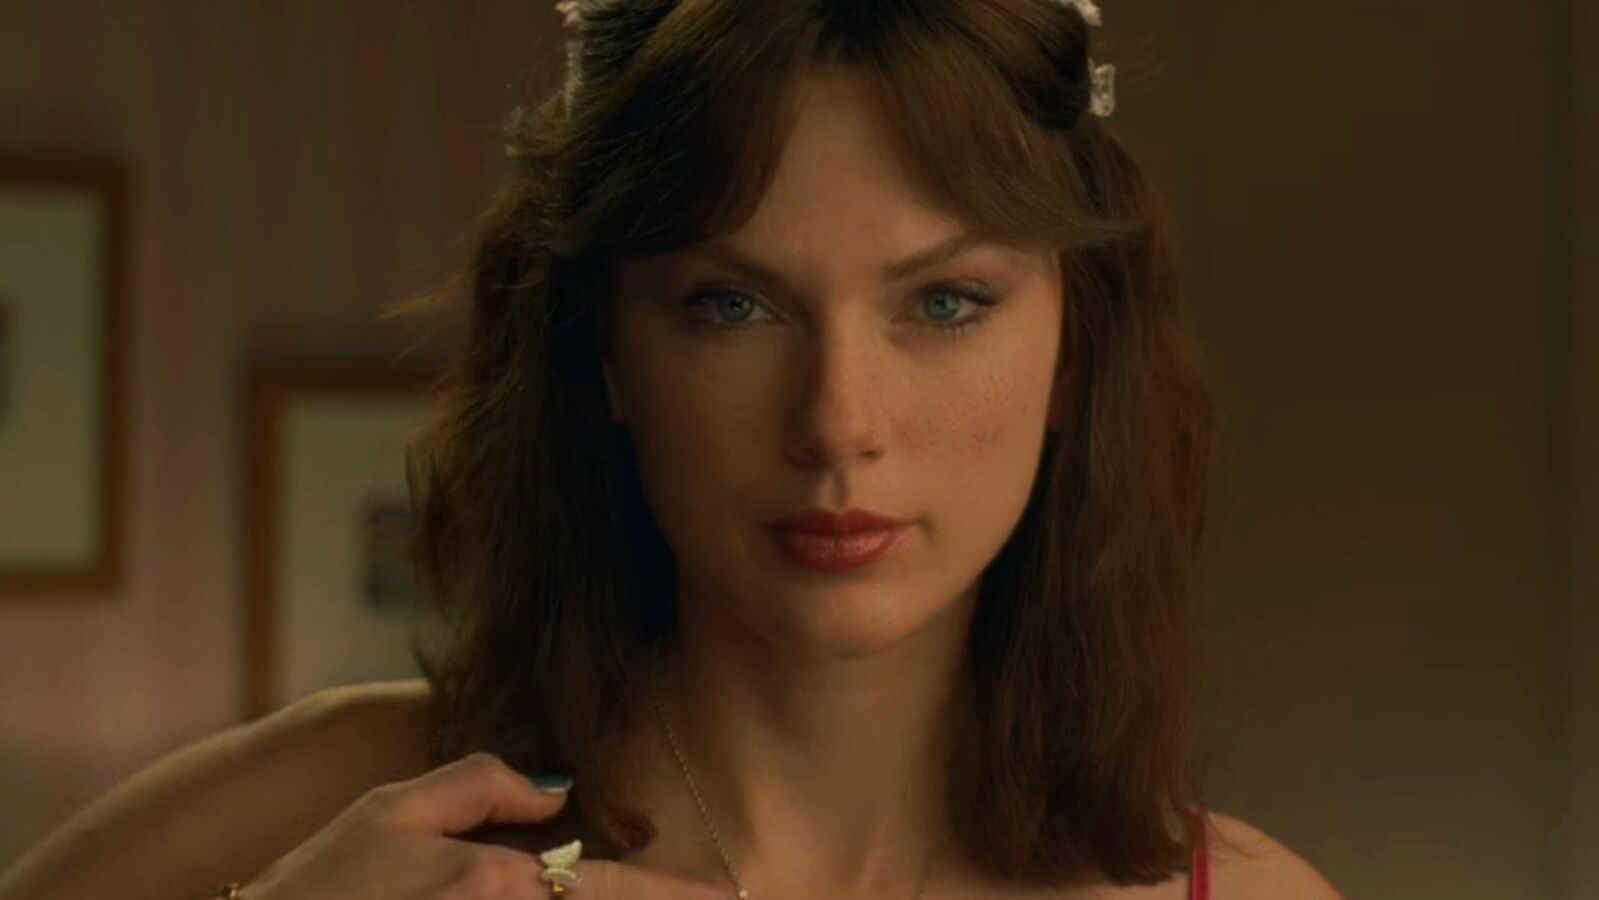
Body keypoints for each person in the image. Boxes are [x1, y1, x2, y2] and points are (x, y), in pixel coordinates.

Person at [0, 1, 1346, 898]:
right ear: (603, 351)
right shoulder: (323, 811)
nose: (839, 423)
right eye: (733, 306)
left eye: (944, 303)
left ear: (1076, 352)